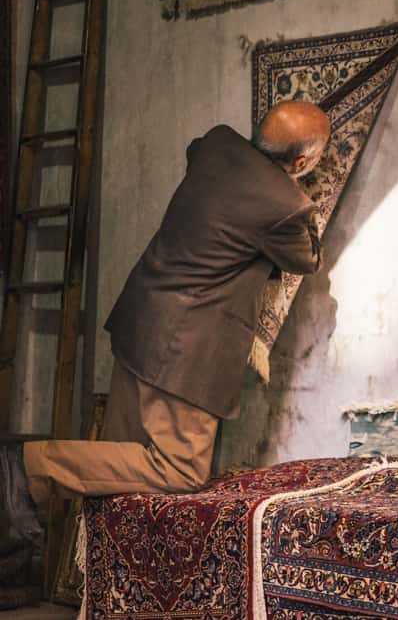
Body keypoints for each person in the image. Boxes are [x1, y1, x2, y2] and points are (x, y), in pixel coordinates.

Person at [1, 101, 331, 547]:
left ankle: (112, 598)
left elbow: (197, 153)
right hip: (183, 353)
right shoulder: (285, 207)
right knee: (178, 471)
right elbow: (308, 257)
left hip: (140, 321)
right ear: (304, 162)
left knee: (116, 481)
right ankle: (30, 465)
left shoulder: (214, 144)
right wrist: (298, 189)